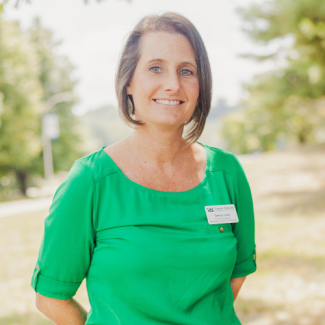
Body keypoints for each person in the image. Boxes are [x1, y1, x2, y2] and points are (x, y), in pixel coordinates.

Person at [31, 11, 256, 325]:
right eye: (155, 68)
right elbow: (51, 298)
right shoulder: (90, 181)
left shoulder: (228, 173)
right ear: (128, 83)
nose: (173, 84)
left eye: (187, 71)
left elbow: (236, 275)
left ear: (200, 85)